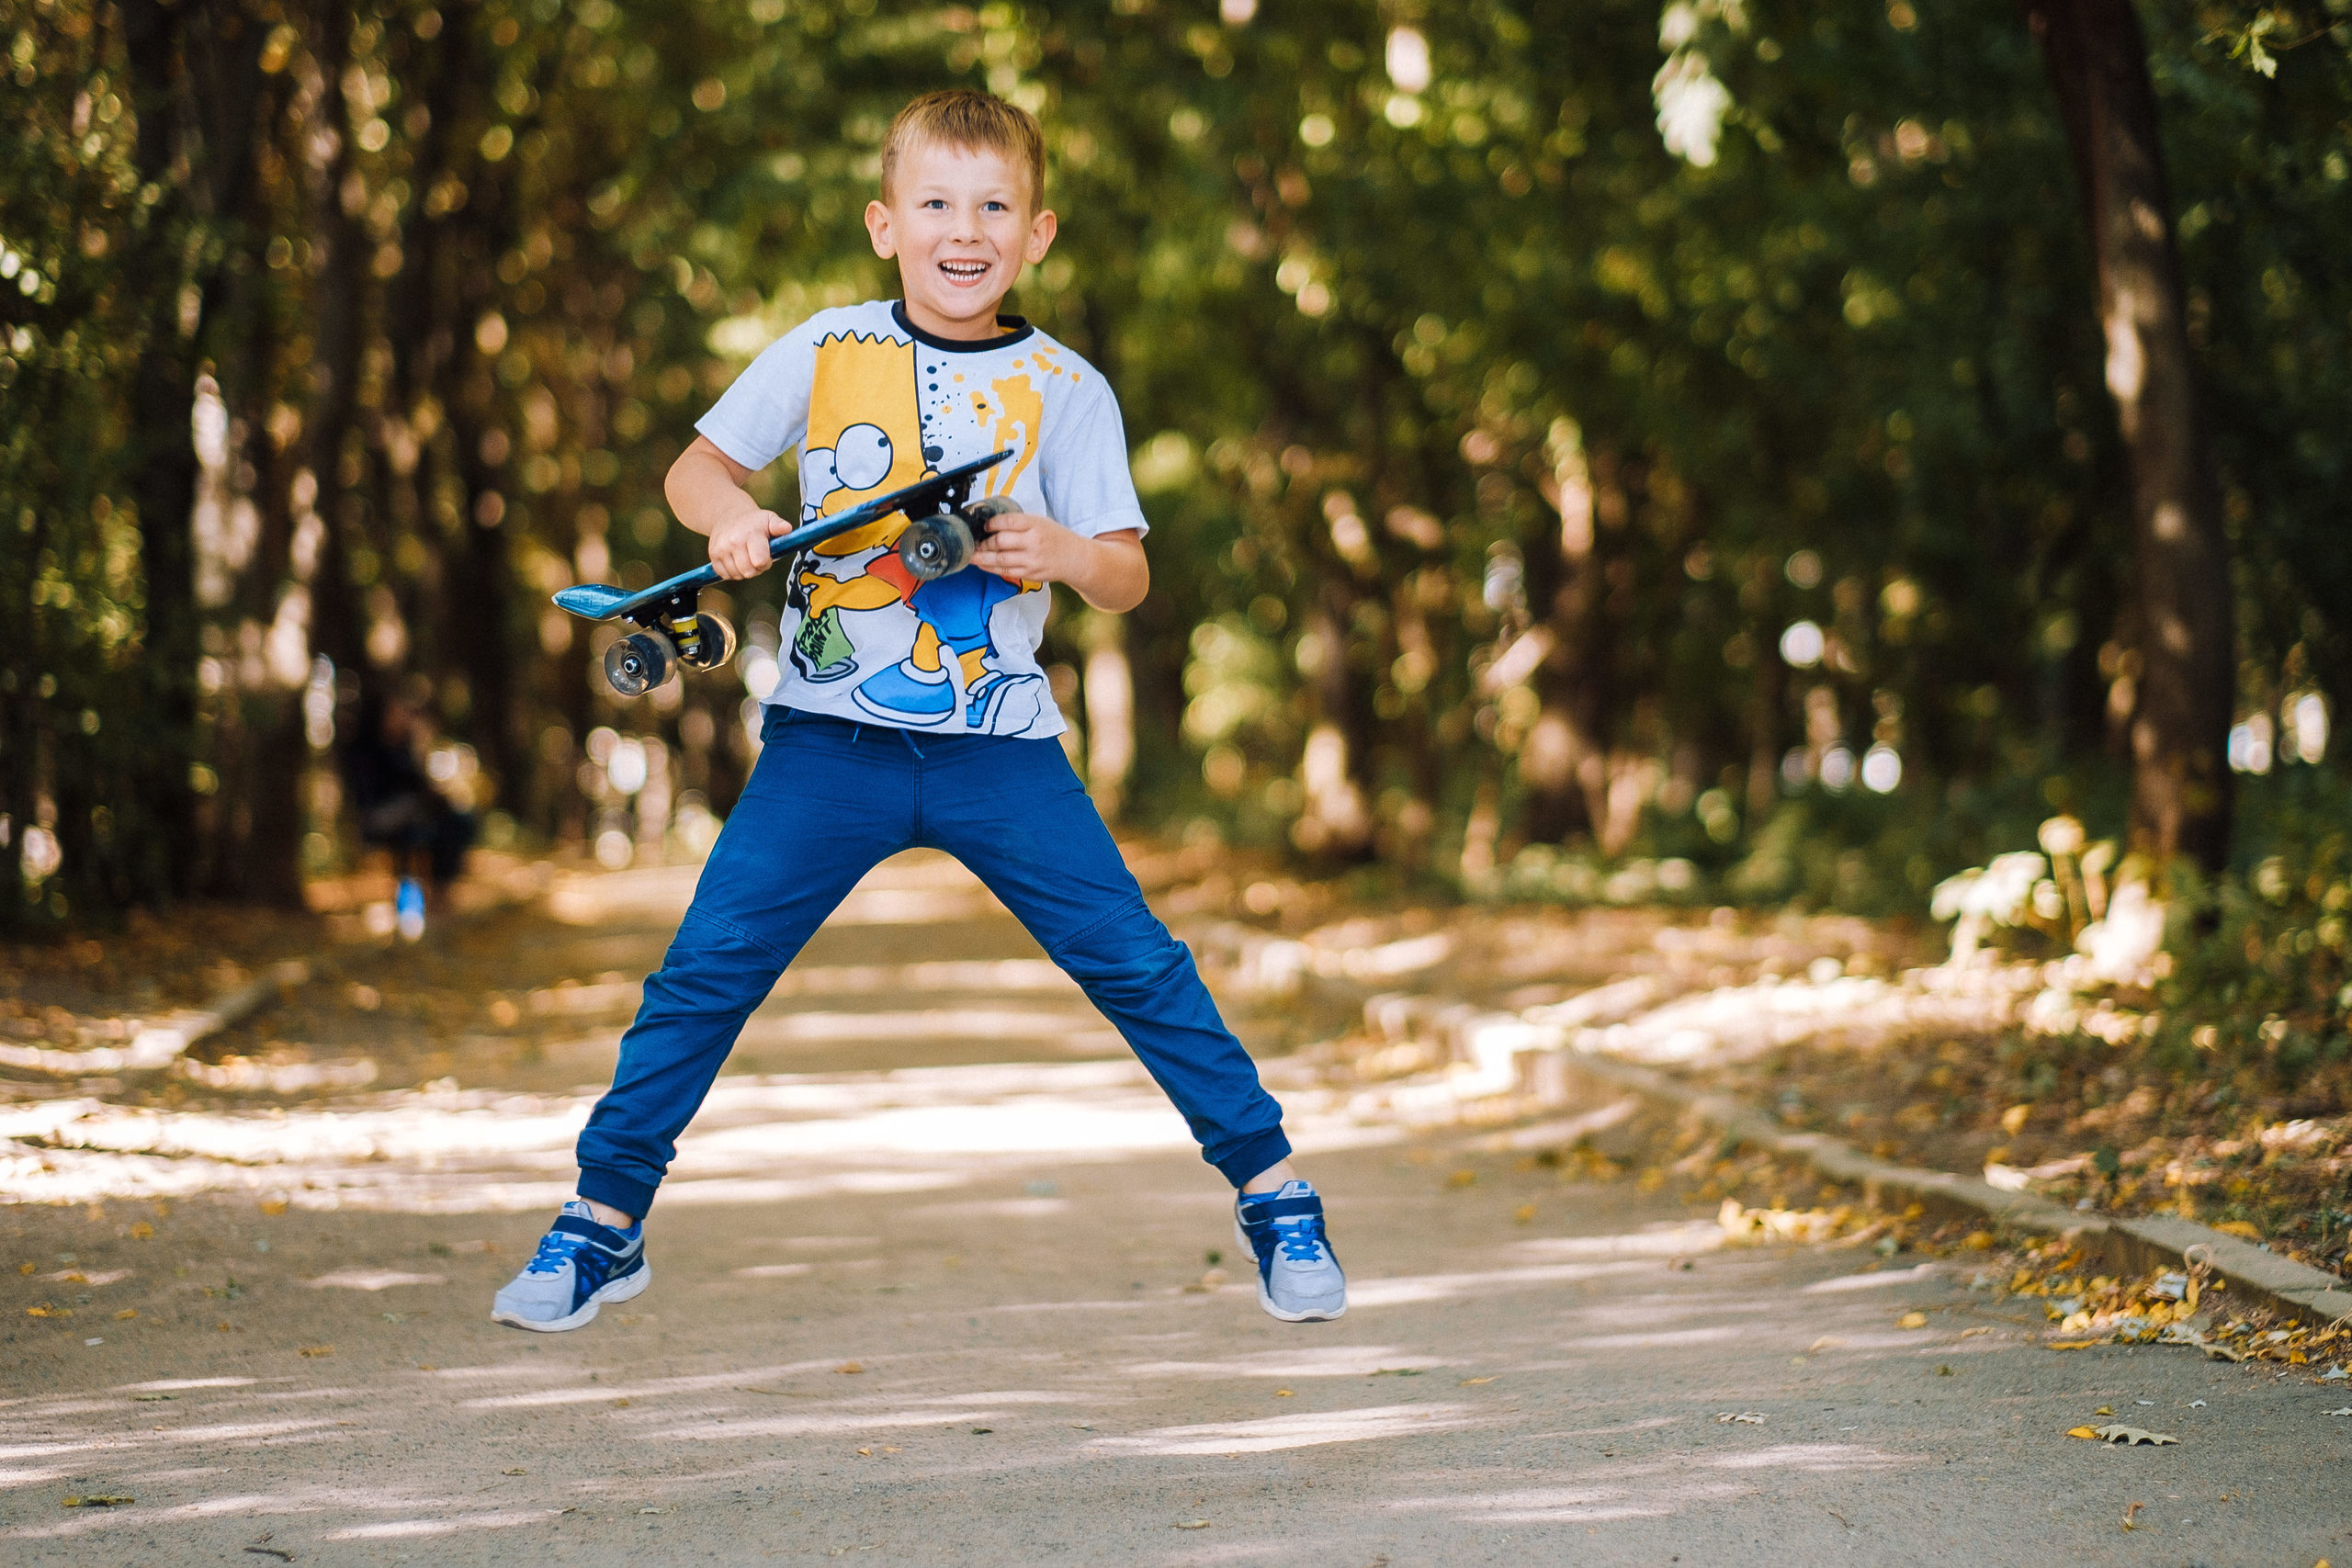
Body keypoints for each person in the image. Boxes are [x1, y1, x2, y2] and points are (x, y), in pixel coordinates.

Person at [492, 90, 1344, 1334]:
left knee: (1136, 963)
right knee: (708, 969)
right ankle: (602, 1218)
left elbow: (1127, 572)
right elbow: (697, 466)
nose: (965, 229)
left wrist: (1065, 552)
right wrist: (728, 519)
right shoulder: (826, 348)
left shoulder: (1068, 388)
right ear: (885, 224)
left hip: (1001, 749)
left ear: (1036, 233)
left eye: (994, 207)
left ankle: (1274, 1192)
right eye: (937, 203)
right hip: (827, 744)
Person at [342, 687, 475, 937]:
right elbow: (372, 797)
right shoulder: (365, 749)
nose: (401, 716)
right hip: (379, 817)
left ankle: (440, 896)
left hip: (411, 814)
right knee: (418, 830)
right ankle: (417, 909)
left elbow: (420, 785)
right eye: (396, 711)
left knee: (456, 823)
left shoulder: (405, 746)